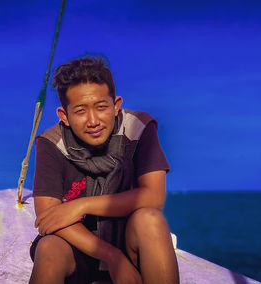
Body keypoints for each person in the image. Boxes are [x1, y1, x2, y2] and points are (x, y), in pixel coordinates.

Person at [29, 55, 179, 284]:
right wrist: (112, 257)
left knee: (151, 219)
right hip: (79, 247)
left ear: (116, 105)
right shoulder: (51, 143)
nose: (93, 121)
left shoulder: (138, 128)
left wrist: (81, 205)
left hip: (127, 239)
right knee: (49, 248)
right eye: (80, 111)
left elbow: (154, 197)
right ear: (64, 116)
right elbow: (48, 218)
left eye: (101, 107)